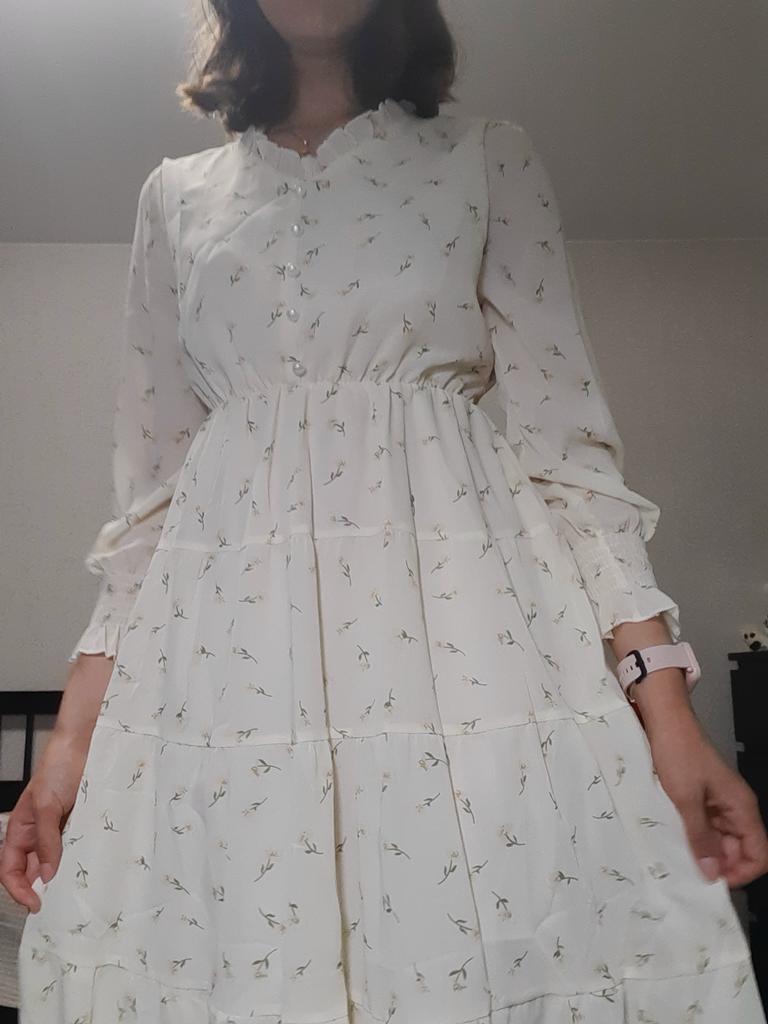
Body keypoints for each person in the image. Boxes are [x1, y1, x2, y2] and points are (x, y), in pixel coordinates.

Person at [5, 1, 768, 1021]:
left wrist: (666, 714)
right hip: (232, 673)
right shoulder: (175, 200)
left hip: (466, 645)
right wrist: (67, 750)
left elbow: (571, 460)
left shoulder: (486, 159)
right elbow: (147, 511)